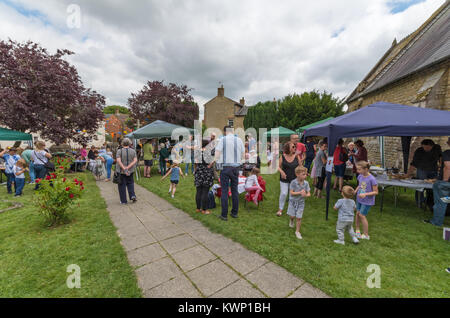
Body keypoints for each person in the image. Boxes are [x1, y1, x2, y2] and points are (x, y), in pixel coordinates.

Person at [211, 126, 245, 221]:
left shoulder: (223, 139)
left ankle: (224, 215)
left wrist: (214, 162)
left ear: (225, 131)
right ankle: (234, 212)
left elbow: (217, 153)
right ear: (232, 131)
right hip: (236, 168)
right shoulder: (239, 140)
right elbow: (243, 154)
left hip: (226, 168)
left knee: (225, 191)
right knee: (234, 190)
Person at [407, 139, 441, 208]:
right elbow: (414, 163)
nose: (425, 149)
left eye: (427, 147)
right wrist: (408, 174)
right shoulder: (419, 151)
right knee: (420, 186)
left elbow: (441, 157)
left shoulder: (437, 148)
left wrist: (440, 165)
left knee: (433, 187)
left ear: (432, 146)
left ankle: (430, 202)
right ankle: (419, 202)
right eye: (424, 147)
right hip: (422, 170)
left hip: (434, 170)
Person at [424, 137, 450, 227]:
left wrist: (445, 180)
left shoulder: (447, 153)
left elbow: (448, 167)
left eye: (448, 141)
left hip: (446, 184)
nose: (447, 142)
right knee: (446, 200)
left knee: (441, 203)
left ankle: (437, 222)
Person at [354, 161, 378, 240]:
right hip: (359, 199)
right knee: (357, 213)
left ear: (366, 169)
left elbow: (376, 192)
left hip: (367, 201)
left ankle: (366, 234)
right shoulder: (360, 176)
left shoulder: (372, 179)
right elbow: (360, 185)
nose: (358, 171)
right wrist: (355, 191)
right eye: (357, 169)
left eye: (359, 169)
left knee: (362, 215)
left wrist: (365, 194)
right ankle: (357, 230)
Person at [276, 142, 300, 216]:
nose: (294, 148)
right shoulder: (282, 156)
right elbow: (277, 167)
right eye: (293, 147)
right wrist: (282, 172)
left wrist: (304, 172)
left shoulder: (296, 156)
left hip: (294, 179)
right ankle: (280, 209)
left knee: (291, 195)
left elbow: (300, 166)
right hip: (284, 179)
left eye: (294, 147)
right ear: (287, 148)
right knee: (283, 193)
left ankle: (291, 210)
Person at [287, 166, 310, 240]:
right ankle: (291, 220)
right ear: (297, 174)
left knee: (299, 217)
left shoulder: (306, 183)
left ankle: (297, 231)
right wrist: (300, 192)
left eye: (305, 174)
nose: (305, 176)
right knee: (292, 216)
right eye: (303, 174)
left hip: (301, 203)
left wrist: (305, 195)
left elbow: (309, 193)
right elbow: (291, 193)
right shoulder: (293, 182)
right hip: (292, 202)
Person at [194, 139, 215, 214]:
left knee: (199, 191)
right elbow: (214, 160)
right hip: (207, 172)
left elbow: (195, 162)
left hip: (199, 171)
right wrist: (210, 165)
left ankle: (198, 208)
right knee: (205, 191)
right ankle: (204, 210)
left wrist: (196, 169)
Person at [116, 138, 138, 204]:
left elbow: (118, 161)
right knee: (130, 183)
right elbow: (135, 160)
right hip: (130, 171)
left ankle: (123, 201)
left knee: (122, 185)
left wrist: (124, 168)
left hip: (121, 171)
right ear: (129, 143)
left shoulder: (119, 151)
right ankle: (132, 196)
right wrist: (128, 168)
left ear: (122, 143)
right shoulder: (133, 151)